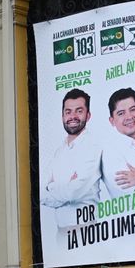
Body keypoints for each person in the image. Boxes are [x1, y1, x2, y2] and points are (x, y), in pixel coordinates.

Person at [40, 88, 103, 236]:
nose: (72, 116)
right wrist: (64, 188)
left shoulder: (93, 147)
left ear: (88, 115)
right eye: (68, 112)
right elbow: (41, 194)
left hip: (86, 231)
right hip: (60, 233)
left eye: (79, 111)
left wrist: (52, 187)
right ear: (62, 116)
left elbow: (73, 192)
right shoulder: (59, 151)